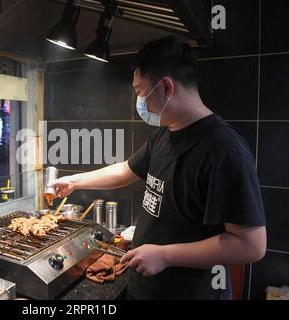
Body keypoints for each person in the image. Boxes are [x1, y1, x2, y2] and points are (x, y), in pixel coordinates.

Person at [51, 36, 267, 300]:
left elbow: (251, 245)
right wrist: (75, 181)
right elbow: (124, 171)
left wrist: (165, 255)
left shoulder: (224, 150)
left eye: (141, 92)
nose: (139, 102)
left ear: (166, 86)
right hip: (146, 288)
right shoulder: (165, 134)